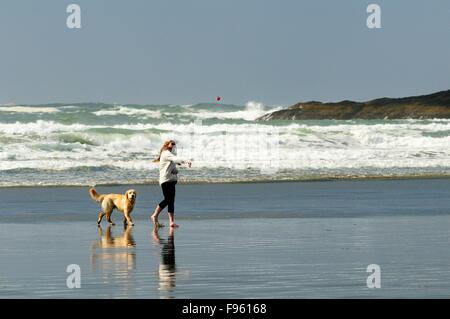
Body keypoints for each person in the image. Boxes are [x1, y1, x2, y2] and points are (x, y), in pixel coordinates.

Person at [151, 140, 191, 228]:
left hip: (171, 181)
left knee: (171, 201)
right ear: (167, 145)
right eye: (171, 143)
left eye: (174, 144)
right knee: (167, 199)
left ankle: (171, 222)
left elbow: (173, 167)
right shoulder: (166, 153)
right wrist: (186, 160)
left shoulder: (170, 155)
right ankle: (154, 215)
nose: (173, 145)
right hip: (166, 181)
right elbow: (175, 159)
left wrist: (176, 170)